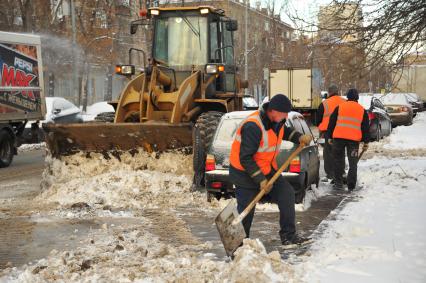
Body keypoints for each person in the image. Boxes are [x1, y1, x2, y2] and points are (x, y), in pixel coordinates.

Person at [229, 94, 312, 246]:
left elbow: (285, 132)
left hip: (266, 169)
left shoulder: (276, 121)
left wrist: (299, 137)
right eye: (284, 113)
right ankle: (238, 246)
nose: (286, 116)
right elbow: (245, 158)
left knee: (286, 193)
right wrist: (261, 180)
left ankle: (289, 236)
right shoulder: (253, 126)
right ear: (273, 111)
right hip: (244, 173)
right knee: (247, 210)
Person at [326, 89, 370, 192]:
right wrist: (366, 142)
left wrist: (329, 137)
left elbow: (331, 123)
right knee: (353, 162)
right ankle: (351, 185)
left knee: (338, 161)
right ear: (357, 98)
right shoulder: (362, 110)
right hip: (353, 141)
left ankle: (338, 184)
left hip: (338, 139)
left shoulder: (340, 107)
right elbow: (365, 128)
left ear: (347, 97)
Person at [315, 84, 345, 180]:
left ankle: (330, 174)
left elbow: (318, 120)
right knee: (340, 152)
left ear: (329, 92)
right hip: (341, 131)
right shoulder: (344, 102)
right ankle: (341, 172)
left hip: (328, 132)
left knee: (328, 153)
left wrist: (321, 127)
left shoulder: (324, 103)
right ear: (337, 91)